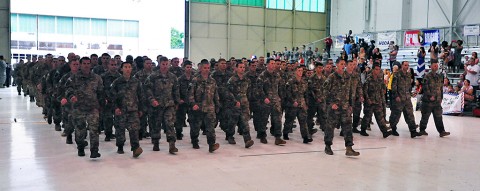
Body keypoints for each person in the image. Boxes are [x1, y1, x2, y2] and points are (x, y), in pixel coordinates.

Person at [64, 57, 104, 158]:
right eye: (84, 63)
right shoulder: (73, 77)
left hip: (93, 107)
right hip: (79, 108)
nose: (86, 65)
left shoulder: (97, 78)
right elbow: (68, 89)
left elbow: (100, 92)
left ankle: (94, 151)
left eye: (88, 63)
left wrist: (102, 105)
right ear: (80, 65)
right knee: (80, 130)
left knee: (94, 130)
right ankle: (80, 147)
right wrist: (71, 96)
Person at [323, 59, 360, 156]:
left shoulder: (348, 77)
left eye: (344, 64)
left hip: (345, 107)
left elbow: (350, 92)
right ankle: (328, 146)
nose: (343, 66)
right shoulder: (332, 77)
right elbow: (324, 91)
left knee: (348, 127)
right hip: (334, 108)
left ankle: (349, 148)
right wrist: (331, 104)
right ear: (337, 65)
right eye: (341, 64)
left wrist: (351, 105)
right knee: (330, 127)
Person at [144, 56, 180, 154]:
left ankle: (172, 145)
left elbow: (176, 90)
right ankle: (156, 143)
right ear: (159, 64)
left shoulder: (173, 77)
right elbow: (148, 90)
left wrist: (176, 102)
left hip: (169, 104)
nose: (164, 66)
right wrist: (152, 100)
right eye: (163, 64)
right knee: (156, 124)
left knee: (170, 124)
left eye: (166, 64)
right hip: (157, 105)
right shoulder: (153, 76)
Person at [110, 61, 145, 157]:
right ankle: (120, 146)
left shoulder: (136, 82)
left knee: (134, 130)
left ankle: (135, 148)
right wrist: (115, 108)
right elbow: (112, 96)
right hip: (121, 109)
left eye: (129, 67)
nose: (127, 69)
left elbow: (141, 96)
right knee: (120, 129)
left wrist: (141, 109)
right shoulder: (117, 82)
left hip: (133, 109)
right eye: (125, 67)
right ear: (121, 69)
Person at [188, 59, 221, 152]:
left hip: (210, 107)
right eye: (205, 68)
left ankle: (211, 145)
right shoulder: (195, 80)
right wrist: (193, 104)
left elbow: (215, 94)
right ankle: (194, 141)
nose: (207, 70)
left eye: (208, 68)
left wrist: (217, 105)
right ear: (201, 69)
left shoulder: (212, 81)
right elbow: (190, 94)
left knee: (210, 127)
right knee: (196, 126)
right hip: (198, 107)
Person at [224, 62, 255, 148]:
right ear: (236, 68)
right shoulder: (232, 80)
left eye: (243, 67)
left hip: (244, 104)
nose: (242, 69)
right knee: (232, 122)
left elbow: (249, 91)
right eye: (240, 67)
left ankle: (247, 140)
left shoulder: (247, 80)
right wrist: (234, 101)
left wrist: (248, 100)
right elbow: (228, 92)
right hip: (234, 104)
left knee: (245, 122)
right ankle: (230, 136)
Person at [256, 59, 287, 145]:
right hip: (266, 101)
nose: (273, 65)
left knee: (278, 119)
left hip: (276, 100)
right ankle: (262, 135)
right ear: (267, 65)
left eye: (274, 63)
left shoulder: (277, 75)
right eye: (272, 63)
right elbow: (259, 88)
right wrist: (264, 98)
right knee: (264, 119)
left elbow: (280, 87)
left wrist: (280, 97)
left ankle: (277, 137)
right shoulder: (262, 76)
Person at [389, 61, 422, 138]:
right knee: (396, 115)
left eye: (408, 65)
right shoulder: (396, 74)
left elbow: (408, 87)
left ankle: (413, 131)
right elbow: (393, 87)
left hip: (407, 98)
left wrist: (411, 93)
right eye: (405, 65)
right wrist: (396, 96)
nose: (407, 66)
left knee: (410, 115)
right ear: (402, 65)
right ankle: (393, 129)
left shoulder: (408, 75)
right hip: (399, 99)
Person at [419, 60, 451, 137]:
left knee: (438, 117)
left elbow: (440, 88)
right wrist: (430, 96)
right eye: (434, 66)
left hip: (437, 101)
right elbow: (425, 88)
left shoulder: (439, 76)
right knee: (425, 117)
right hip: (428, 101)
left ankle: (442, 131)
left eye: (437, 66)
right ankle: (422, 130)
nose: (436, 67)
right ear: (431, 67)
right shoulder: (427, 76)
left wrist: (441, 98)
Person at [360, 63, 392, 138]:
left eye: (379, 70)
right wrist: (367, 100)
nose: (377, 71)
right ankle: (363, 130)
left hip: (377, 101)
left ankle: (384, 132)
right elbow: (365, 91)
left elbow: (382, 89)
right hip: (370, 101)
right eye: (376, 69)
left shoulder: (379, 79)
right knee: (367, 116)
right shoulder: (369, 79)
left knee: (380, 117)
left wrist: (381, 98)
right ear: (373, 70)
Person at [283, 66, 313, 143]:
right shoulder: (290, 81)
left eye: (301, 71)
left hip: (301, 104)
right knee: (289, 120)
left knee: (303, 121)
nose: (300, 72)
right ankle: (285, 133)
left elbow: (306, 94)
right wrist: (293, 101)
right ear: (295, 71)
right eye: (299, 70)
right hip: (292, 105)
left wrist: (306, 103)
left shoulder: (304, 82)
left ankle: (305, 137)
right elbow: (288, 93)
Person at [175, 60, 193, 140]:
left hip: (192, 102)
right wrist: (178, 100)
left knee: (193, 119)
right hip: (183, 102)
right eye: (187, 67)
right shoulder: (180, 79)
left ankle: (194, 136)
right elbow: (176, 90)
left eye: (190, 67)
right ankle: (178, 133)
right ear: (184, 68)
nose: (189, 69)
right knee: (180, 119)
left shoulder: (194, 79)